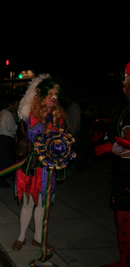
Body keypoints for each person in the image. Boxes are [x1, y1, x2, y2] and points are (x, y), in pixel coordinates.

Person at [12, 74, 67, 252]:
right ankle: (21, 237)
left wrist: (59, 151)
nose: (54, 98)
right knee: (28, 203)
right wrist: (36, 147)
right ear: (41, 96)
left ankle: (38, 238)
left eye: (56, 95)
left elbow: (65, 143)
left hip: (47, 171)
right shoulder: (29, 119)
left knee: (42, 204)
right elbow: (19, 144)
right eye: (50, 94)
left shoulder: (59, 120)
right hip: (30, 169)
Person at [97, 62, 130, 267]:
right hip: (123, 175)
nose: (128, 88)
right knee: (122, 218)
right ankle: (125, 260)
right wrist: (104, 143)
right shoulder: (121, 112)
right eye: (127, 83)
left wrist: (115, 148)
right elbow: (113, 137)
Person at [0, 97, 18, 188]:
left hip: (0, 138)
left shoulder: (0, 114)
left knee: (2, 160)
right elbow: (10, 127)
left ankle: (1, 181)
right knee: (5, 161)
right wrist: (17, 126)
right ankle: (2, 181)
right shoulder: (8, 114)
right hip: (6, 139)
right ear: (10, 105)